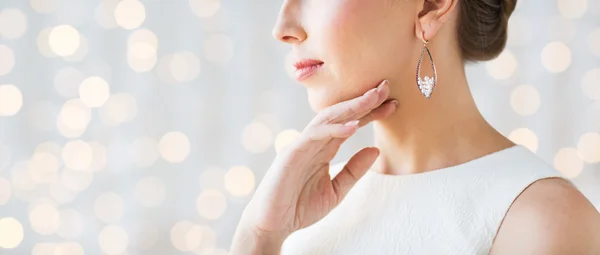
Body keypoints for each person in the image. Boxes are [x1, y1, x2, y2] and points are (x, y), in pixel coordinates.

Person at [230, 0, 600, 254]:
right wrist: (258, 238)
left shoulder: (541, 222)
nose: (283, 28)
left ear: (431, 5)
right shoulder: (299, 210)